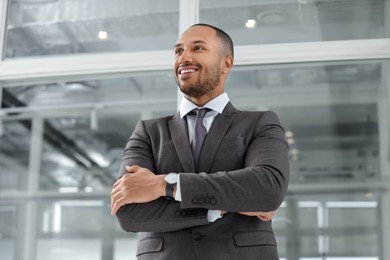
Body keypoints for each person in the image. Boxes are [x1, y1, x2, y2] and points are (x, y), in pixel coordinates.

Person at [111, 23, 289, 260]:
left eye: (198, 48)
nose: (184, 57)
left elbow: (268, 189)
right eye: (178, 51)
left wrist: (164, 185)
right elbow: (129, 212)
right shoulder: (148, 131)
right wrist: (220, 207)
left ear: (227, 63)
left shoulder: (260, 123)